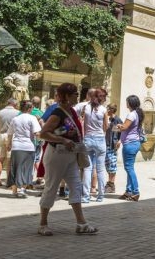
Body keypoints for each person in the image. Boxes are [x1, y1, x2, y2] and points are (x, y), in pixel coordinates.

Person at [37, 82, 97, 236]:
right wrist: (63, 140)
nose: (78, 95)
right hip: (57, 155)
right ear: (66, 96)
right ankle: (43, 224)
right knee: (51, 187)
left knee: (76, 187)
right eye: (75, 94)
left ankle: (81, 223)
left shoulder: (71, 111)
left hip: (70, 156)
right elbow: (43, 133)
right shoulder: (58, 113)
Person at [7, 100, 42, 198]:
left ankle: (14, 191)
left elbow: (10, 133)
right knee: (27, 168)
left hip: (16, 146)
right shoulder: (32, 118)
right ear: (30, 108)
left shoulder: (15, 119)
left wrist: (8, 144)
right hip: (28, 146)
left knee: (15, 168)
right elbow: (36, 133)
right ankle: (22, 189)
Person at [80, 88, 108, 203]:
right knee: (100, 170)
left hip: (88, 138)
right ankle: (100, 196)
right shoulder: (103, 110)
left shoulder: (85, 108)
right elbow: (105, 127)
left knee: (87, 169)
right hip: (100, 139)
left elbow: (83, 124)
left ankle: (85, 197)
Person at [115, 95, 144, 201]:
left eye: (127, 102)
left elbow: (125, 128)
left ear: (130, 103)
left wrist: (118, 126)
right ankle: (128, 191)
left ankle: (136, 192)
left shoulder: (131, 114)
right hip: (134, 143)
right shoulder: (136, 114)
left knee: (129, 168)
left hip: (130, 144)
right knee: (129, 167)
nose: (126, 103)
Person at [0, 98, 19, 187]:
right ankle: (8, 181)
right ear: (14, 104)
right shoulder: (17, 113)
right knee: (9, 160)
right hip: (11, 136)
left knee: (0, 159)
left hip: (1, 134)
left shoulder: (0, 112)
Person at [105, 104, 122, 193]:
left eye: (108, 108)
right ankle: (110, 183)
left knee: (112, 165)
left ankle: (111, 184)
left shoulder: (117, 120)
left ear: (112, 110)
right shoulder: (107, 119)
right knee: (107, 165)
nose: (107, 110)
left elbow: (122, 131)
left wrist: (119, 140)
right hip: (105, 144)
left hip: (112, 145)